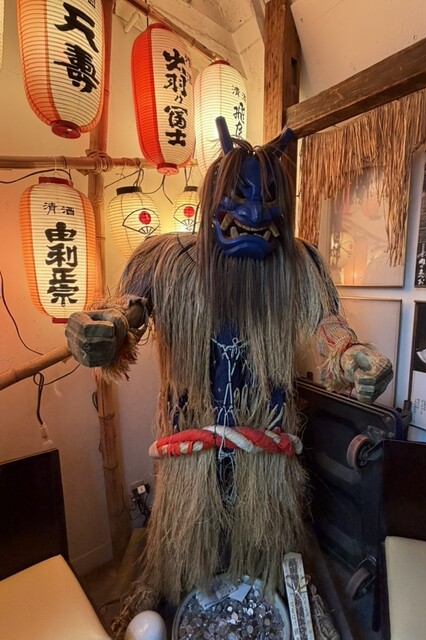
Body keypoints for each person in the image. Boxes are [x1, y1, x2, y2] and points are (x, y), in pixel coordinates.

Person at [66, 118, 392, 635]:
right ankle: (168, 590)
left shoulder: (298, 265)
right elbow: (128, 311)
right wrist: (104, 329)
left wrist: (352, 354)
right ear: (213, 198)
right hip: (188, 456)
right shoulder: (166, 261)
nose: (255, 213)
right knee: (184, 554)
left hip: (266, 457)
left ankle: (274, 597)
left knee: (263, 551)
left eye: (268, 201)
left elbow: (328, 325)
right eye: (241, 198)